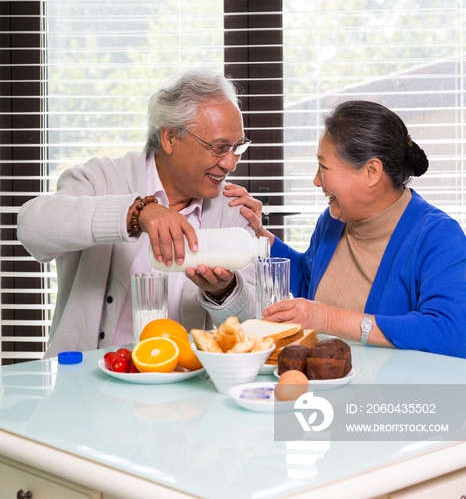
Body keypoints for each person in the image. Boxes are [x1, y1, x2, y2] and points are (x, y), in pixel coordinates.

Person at [17, 69, 256, 357]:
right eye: (219, 148)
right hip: (88, 386)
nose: (230, 163)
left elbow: (251, 323)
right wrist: (135, 212)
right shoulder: (104, 178)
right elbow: (32, 226)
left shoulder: (233, 209)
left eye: (237, 147)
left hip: (187, 387)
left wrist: (224, 292)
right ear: (169, 138)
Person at [230, 100, 466, 358]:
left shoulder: (438, 236)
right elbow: (309, 282)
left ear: (372, 172)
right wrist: (259, 237)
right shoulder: (332, 222)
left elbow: (450, 333)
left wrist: (330, 319)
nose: (316, 180)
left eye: (323, 166)